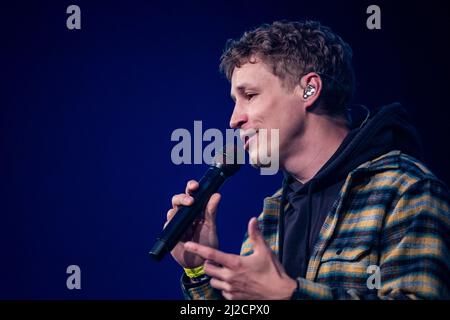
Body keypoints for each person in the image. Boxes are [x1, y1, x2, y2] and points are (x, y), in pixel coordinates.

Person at [164, 20, 450, 299]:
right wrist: (199, 270)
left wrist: (289, 295)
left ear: (309, 89)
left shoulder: (405, 189)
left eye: (249, 95)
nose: (234, 119)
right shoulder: (269, 218)